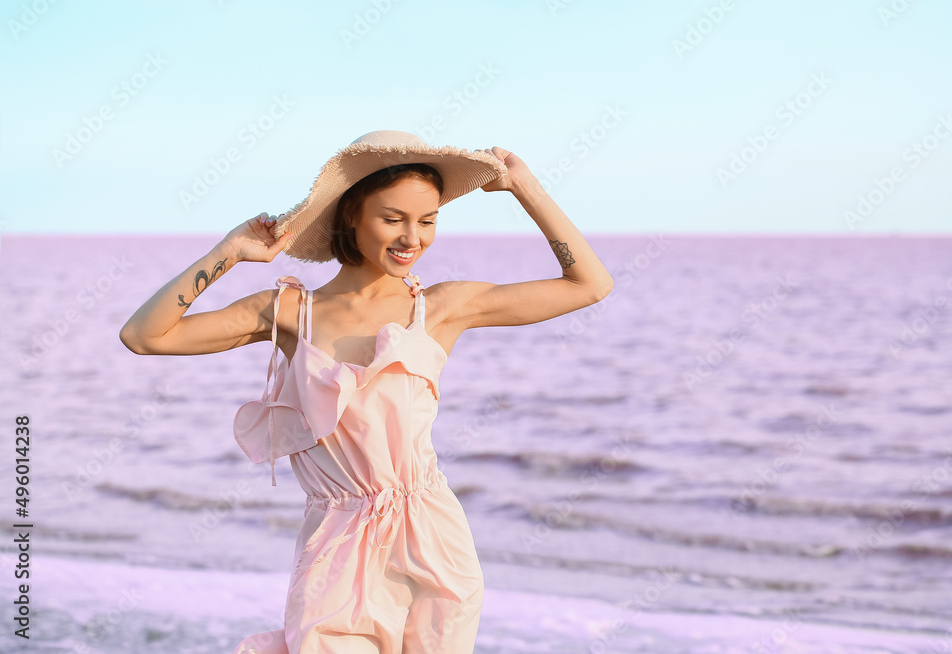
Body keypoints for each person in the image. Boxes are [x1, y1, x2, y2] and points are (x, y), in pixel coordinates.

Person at [119, 130, 615, 653]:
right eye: (393, 218)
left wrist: (524, 187)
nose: (412, 239)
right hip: (336, 544)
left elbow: (589, 284)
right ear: (351, 213)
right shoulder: (289, 312)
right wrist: (230, 252)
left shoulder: (442, 307)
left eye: (428, 221)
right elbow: (144, 336)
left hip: (433, 539)